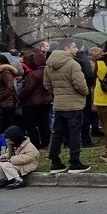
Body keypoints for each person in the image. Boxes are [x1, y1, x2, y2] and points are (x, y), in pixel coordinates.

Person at [43, 38, 91, 173]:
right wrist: (85, 93)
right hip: (74, 104)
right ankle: (75, 162)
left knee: (58, 134)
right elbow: (80, 84)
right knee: (75, 134)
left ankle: (55, 162)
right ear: (66, 48)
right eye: (74, 47)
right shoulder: (72, 64)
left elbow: (47, 85)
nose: (76, 50)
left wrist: (58, 93)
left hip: (59, 104)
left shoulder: (49, 64)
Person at [17, 50, 53, 149]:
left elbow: (28, 88)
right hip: (46, 100)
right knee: (44, 124)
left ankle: (35, 143)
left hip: (32, 102)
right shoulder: (48, 72)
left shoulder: (33, 74)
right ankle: (45, 143)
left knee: (31, 125)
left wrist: (19, 97)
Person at [0, 125, 40, 189]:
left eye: (10, 140)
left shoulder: (28, 146)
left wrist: (12, 159)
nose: (8, 141)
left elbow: (29, 157)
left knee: (6, 165)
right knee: (0, 164)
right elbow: (9, 153)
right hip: (16, 163)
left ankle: (18, 180)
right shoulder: (12, 144)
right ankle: (3, 179)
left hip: (27, 164)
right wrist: (5, 156)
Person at [0, 54, 20, 130]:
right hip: (5, 102)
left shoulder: (5, 72)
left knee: (6, 124)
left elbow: (9, 87)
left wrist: (0, 96)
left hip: (6, 102)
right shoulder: (0, 72)